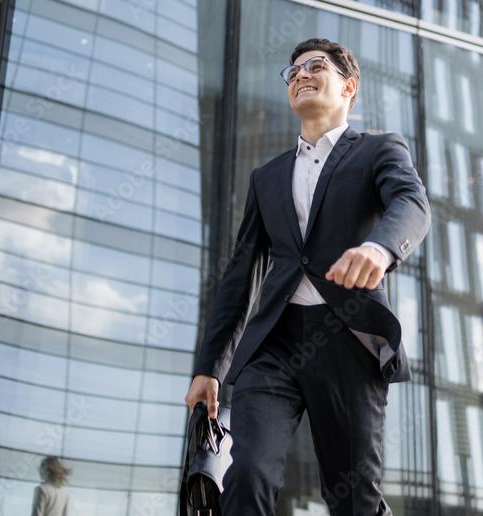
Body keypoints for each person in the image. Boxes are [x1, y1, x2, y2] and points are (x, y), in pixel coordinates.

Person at [183, 38, 430, 515]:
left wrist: (379, 249)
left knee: (352, 495)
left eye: (316, 67)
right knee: (248, 470)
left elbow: (411, 204)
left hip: (347, 339)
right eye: (292, 71)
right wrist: (209, 367)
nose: (300, 75)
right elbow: (240, 275)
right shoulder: (267, 176)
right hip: (272, 345)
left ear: (348, 88)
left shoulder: (379, 149)